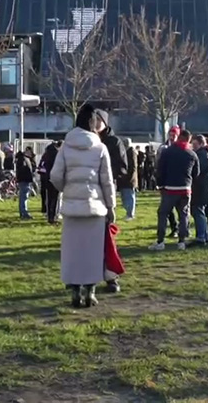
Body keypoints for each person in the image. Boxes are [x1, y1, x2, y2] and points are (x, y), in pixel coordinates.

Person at [50, 104, 116, 308]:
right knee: (92, 253)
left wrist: (66, 189)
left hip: (71, 208)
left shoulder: (65, 147)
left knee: (73, 253)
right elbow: (107, 181)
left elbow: (55, 176)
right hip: (95, 207)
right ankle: (90, 292)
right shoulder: (100, 148)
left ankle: (75, 292)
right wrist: (111, 206)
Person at [151, 128, 199, 251]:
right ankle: (182, 241)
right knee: (183, 215)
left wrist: (160, 185)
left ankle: (160, 241)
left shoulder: (168, 152)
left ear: (179, 137)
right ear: (189, 140)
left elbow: (160, 170)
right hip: (185, 188)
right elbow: (196, 173)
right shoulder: (192, 154)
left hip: (170, 188)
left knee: (163, 213)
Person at [94, 109, 134, 224]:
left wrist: (108, 175)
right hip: (90, 184)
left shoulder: (114, 141)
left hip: (108, 184)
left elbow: (122, 166)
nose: (95, 123)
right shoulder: (90, 140)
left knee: (106, 218)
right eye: (94, 119)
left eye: (98, 120)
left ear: (105, 122)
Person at [190, 134, 208, 246]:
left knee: (198, 212)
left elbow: (198, 172)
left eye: (195, 144)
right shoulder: (207, 154)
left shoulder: (203, 156)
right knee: (200, 212)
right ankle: (204, 236)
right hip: (205, 189)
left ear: (201, 144)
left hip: (202, 189)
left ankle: (201, 237)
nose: (193, 146)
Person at [38, 141, 62, 224]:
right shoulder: (57, 154)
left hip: (47, 178)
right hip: (55, 177)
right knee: (55, 198)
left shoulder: (46, 155)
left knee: (49, 198)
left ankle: (49, 216)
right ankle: (54, 216)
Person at [14, 147, 36, 220]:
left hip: (23, 179)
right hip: (24, 180)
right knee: (24, 197)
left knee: (23, 197)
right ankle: (24, 213)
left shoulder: (23, 158)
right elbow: (24, 170)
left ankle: (23, 212)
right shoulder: (23, 159)